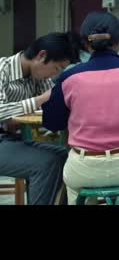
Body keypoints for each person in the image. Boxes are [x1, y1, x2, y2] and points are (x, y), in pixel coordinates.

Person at [43, 12, 119, 205]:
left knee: (76, 190)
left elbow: (52, 122)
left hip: (85, 168)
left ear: (86, 44)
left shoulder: (68, 78)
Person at [0, 33, 75, 204]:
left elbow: (55, 101)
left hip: (12, 139)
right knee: (46, 163)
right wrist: (40, 100)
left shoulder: (37, 76)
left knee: (66, 156)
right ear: (41, 56)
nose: (56, 74)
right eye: (57, 68)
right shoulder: (2, 69)